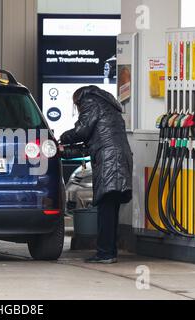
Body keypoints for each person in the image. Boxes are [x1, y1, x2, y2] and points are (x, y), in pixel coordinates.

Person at [61, 85, 133, 264]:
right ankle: (109, 251)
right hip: (117, 158)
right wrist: (63, 151)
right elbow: (90, 144)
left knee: (106, 210)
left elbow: (82, 131)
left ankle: (105, 253)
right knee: (110, 209)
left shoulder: (90, 102)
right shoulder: (108, 107)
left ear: (78, 100)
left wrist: (62, 137)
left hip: (110, 161)